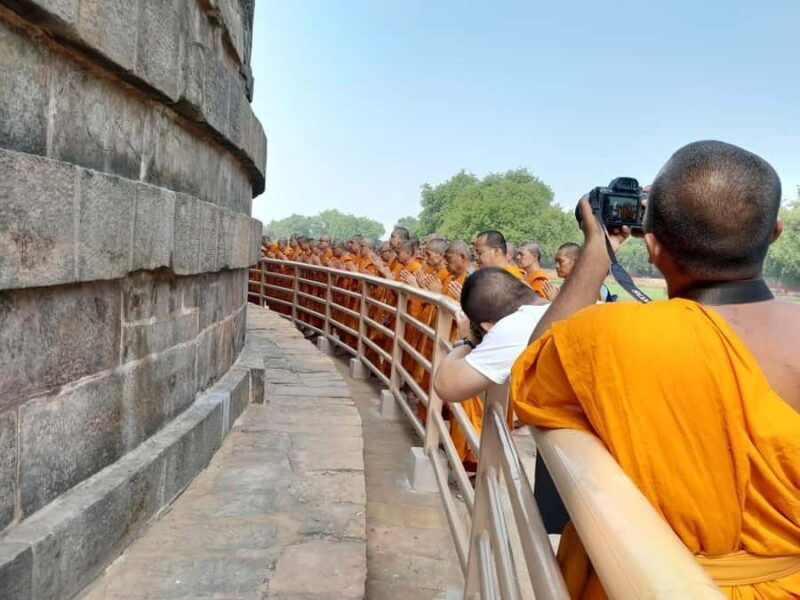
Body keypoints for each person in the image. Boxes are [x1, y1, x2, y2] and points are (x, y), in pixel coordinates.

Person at [511, 140, 800, 598]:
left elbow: (531, 374)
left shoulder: (611, 336)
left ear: (652, 247)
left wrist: (596, 253)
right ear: (775, 233)